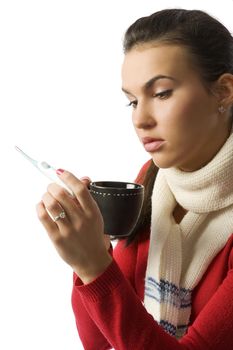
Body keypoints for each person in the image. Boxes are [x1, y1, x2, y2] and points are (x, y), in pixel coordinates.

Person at [36, 8, 233, 350]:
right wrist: (92, 253)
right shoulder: (154, 178)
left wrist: (94, 264)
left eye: (161, 93)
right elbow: (98, 340)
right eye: (131, 101)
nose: (140, 120)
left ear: (224, 91)